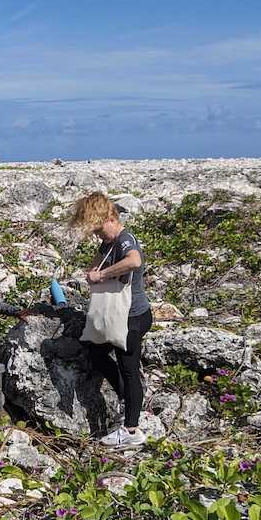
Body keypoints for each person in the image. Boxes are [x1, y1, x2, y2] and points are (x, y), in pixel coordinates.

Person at [69, 192, 152, 447]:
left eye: (98, 229)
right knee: (96, 352)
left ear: (110, 218)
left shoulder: (125, 240)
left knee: (129, 369)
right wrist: (94, 272)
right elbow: (95, 268)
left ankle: (131, 430)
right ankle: (130, 401)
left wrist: (102, 274)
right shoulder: (106, 244)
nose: (97, 235)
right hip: (117, 317)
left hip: (133, 317)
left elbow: (134, 261)